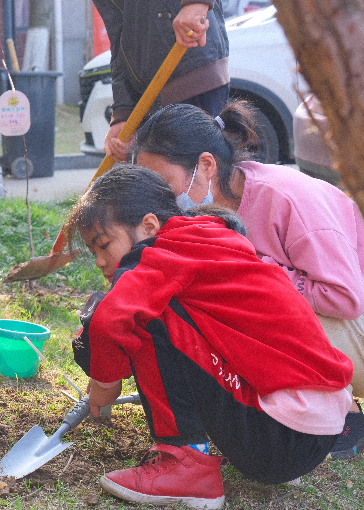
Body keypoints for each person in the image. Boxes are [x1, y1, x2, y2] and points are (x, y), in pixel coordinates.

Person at [66, 165, 352, 509]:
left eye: (103, 245)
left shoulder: (159, 254)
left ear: (149, 226)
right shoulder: (209, 235)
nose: (99, 261)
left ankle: (185, 464)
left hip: (280, 434)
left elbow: (109, 320)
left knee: (146, 314)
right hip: (315, 430)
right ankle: (211, 452)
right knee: (158, 308)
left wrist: (104, 382)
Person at [133, 101, 364, 460]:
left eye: (163, 184)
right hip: (335, 325)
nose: (159, 199)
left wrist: (256, 266)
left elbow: (346, 298)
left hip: (354, 323)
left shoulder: (285, 198)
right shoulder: (205, 210)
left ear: (206, 166)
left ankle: (342, 412)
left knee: (242, 301)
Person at [86, 0, 230, 162]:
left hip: (190, 72)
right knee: (160, 189)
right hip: (148, 96)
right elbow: (120, 42)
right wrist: (123, 112)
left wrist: (196, 0)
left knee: (198, 182)